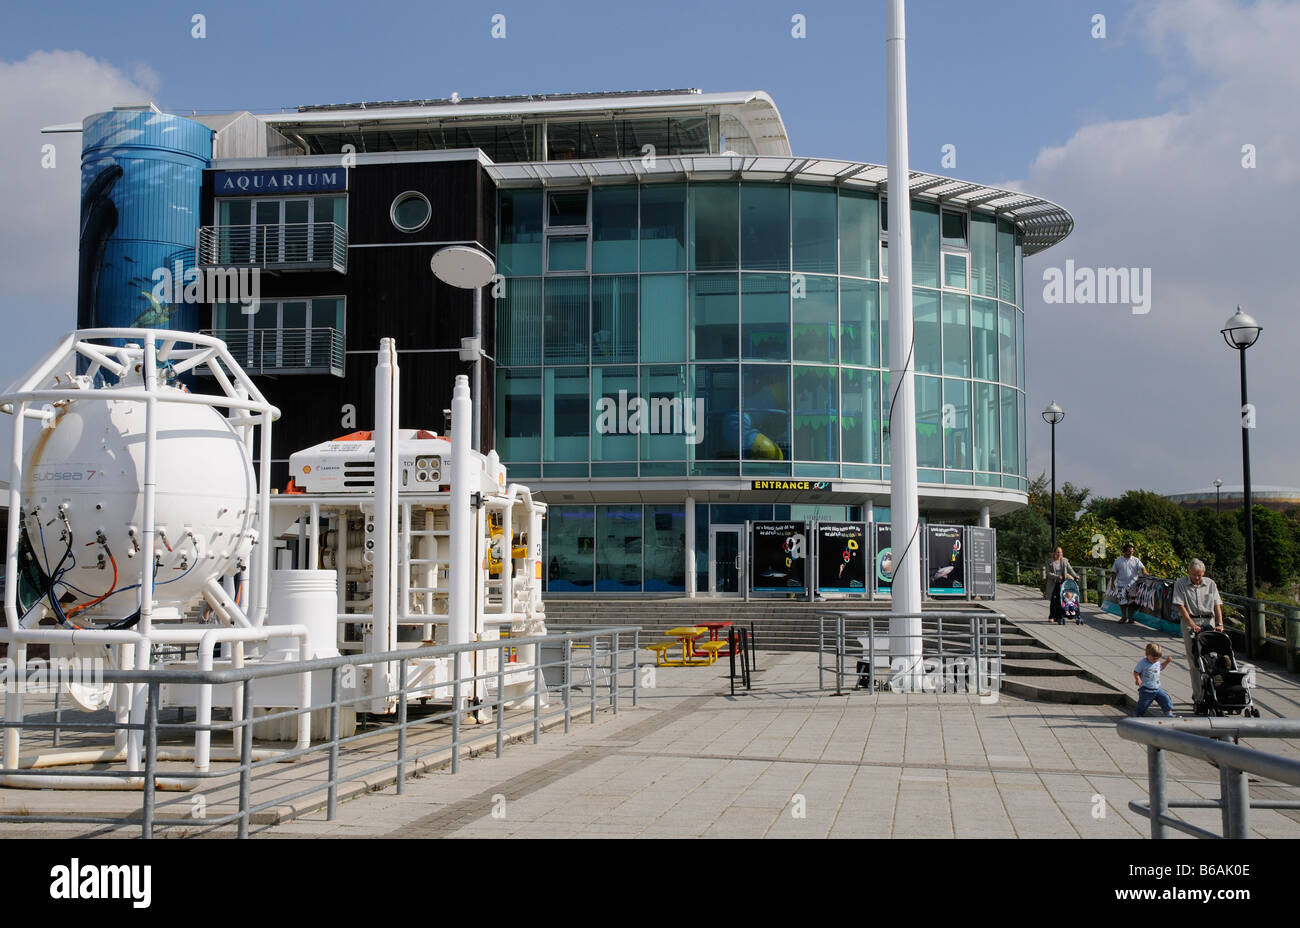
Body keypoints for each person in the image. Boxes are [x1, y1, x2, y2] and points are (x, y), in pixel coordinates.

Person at [1171, 558, 1224, 705]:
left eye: (1200, 575)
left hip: (1208, 621)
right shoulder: (1181, 584)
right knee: (1194, 659)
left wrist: (1220, 623)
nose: (1197, 578)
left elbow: (1217, 605)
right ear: (1189, 572)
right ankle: (1198, 695)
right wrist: (1192, 624)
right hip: (1190, 621)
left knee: (1212, 658)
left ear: (1204, 573)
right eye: (1194, 575)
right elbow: (1180, 606)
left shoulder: (1210, 584)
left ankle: (1214, 691)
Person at [1133, 643, 1177, 718]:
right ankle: (1138, 715)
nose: (1155, 660)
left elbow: (1160, 668)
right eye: (1153, 658)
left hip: (1157, 688)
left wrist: (1167, 662)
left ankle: (1168, 713)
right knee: (1143, 704)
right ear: (1147, 655)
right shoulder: (1143, 663)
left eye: (1158, 658)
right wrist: (1138, 679)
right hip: (1146, 689)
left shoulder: (1157, 662)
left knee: (1165, 698)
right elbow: (1136, 672)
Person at [1109, 542, 1147, 624]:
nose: (1131, 553)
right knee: (1122, 602)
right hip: (1121, 584)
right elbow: (1114, 572)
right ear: (1125, 551)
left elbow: (1142, 568)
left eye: (1132, 551)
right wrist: (1112, 583)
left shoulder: (1136, 560)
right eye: (1129, 551)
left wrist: (1146, 574)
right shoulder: (1118, 560)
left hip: (1133, 584)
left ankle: (1130, 618)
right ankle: (1123, 617)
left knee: (1131, 602)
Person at [1044, 546, 1079, 624]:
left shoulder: (1064, 561)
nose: (1059, 554)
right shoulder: (1050, 561)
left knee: (1061, 600)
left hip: (1063, 582)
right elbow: (1048, 573)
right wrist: (1057, 576)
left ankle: (1060, 616)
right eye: (1058, 552)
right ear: (1054, 553)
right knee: (1054, 600)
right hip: (1054, 582)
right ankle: (1052, 616)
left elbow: (1070, 569)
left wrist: (1075, 575)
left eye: (1061, 552)